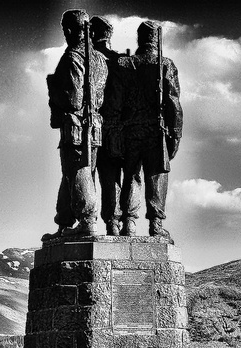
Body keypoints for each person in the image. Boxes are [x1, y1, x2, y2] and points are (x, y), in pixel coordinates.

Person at [44, 10, 107, 239]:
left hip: (75, 126)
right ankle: (65, 222)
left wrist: (53, 91)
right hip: (94, 126)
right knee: (74, 173)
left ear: (69, 29)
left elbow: (73, 99)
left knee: (78, 171)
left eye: (65, 29)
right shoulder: (99, 58)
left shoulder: (73, 57)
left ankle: (88, 220)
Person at [117, 20, 182, 240]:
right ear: (157, 39)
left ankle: (129, 224)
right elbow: (173, 102)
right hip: (156, 130)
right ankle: (156, 225)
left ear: (139, 39)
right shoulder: (165, 64)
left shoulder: (124, 64)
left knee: (131, 176)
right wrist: (176, 133)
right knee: (156, 176)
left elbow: (115, 101)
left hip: (130, 130)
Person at [90, 16, 135, 235]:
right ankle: (127, 222)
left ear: (92, 33)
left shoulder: (90, 59)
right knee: (126, 177)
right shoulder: (123, 62)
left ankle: (112, 223)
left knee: (106, 178)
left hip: (99, 127)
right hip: (122, 130)